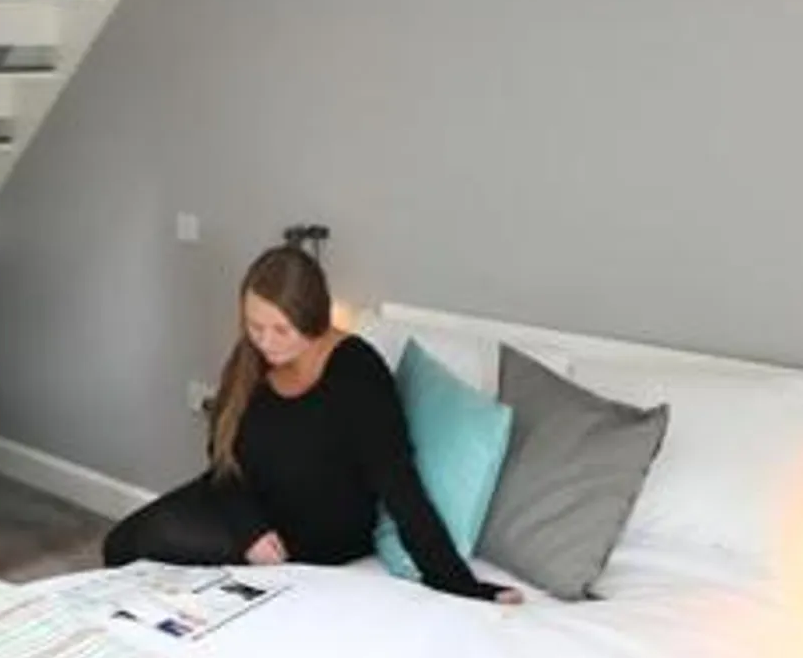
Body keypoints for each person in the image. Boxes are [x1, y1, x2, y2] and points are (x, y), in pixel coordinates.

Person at [102, 245, 521, 604]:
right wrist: (250, 530)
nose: (265, 342)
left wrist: (458, 584)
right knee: (121, 544)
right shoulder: (251, 358)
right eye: (254, 326)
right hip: (244, 504)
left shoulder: (358, 373)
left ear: (313, 319)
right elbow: (222, 454)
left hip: (311, 534)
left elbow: (400, 486)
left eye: (280, 330)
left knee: (148, 552)